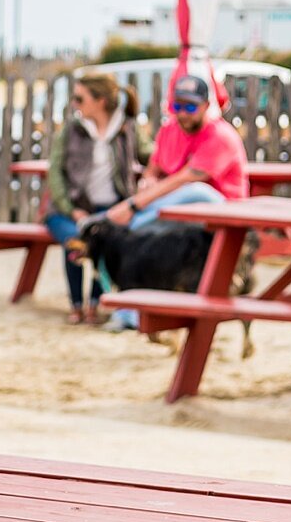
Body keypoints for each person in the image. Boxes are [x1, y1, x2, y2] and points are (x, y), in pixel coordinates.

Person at [103, 72, 248, 330]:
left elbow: (185, 180)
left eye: (189, 106)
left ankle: (131, 224)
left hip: (218, 215)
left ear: (206, 106)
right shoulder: (170, 130)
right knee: (130, 241)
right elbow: (154, 169)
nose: (182, 113)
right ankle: (129, 311)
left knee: (196, 191)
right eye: (176, 106)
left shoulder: (220, 136)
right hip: (178, 216)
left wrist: (135, 205)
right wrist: (148, 181)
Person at [44, 70, 142, 322]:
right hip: (70, 209)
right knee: (77, 240)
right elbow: (54, 173)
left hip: (110, 207)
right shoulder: (72, 130)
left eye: (79, 98)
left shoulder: (126, 127)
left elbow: (149, 153)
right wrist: (71, 208)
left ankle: (96, 304)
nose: (75, 104)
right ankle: (76, 304)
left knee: (106, 238)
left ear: (100, 101)